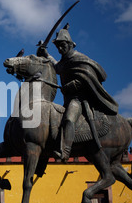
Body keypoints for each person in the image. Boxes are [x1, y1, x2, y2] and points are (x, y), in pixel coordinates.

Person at [38, 23, 118, 161]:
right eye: (58, 46)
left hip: (79, 99)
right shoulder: (65, 61)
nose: (60, 48)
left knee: (69, 118)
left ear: (70, 44)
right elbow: (57, 67)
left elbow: (87, 77)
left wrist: (71, 86)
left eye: (62, 45)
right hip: (68, 99)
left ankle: (65, 151)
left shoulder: (79, 58)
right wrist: (46, 54)